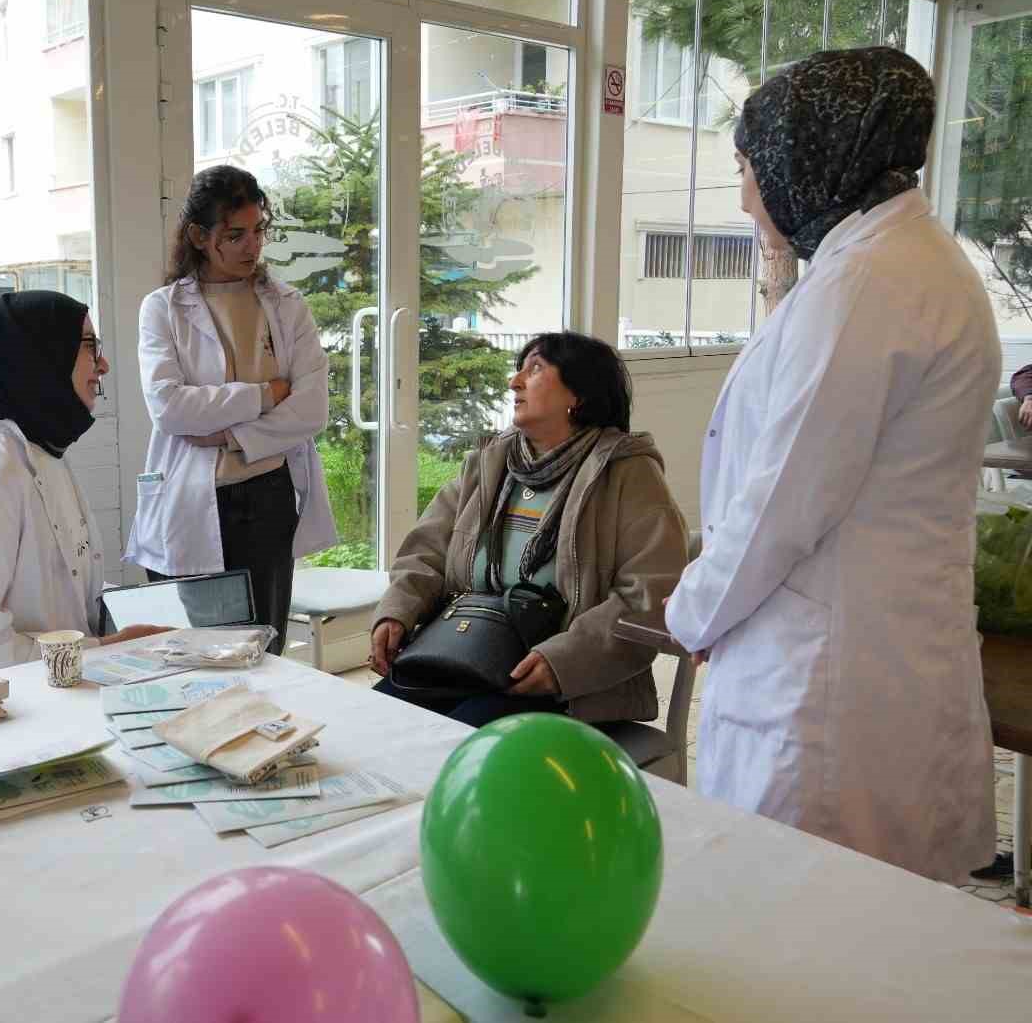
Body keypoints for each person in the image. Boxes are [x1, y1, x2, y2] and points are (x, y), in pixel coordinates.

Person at [665, 47, 999, 883]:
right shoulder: (900, 260)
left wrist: (692, 614)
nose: (747, 195)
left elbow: (783, 501)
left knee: (810, 926)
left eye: (748, 168)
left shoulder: (869, 283)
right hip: (864, 648)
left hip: (828, 677)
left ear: (803, 155)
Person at [370, 333, 688, 727]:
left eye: (535, 369)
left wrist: (564, 663)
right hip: (464, 652)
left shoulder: (628, 474)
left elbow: (651, 597)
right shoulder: (488, 463)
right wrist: (397, 613)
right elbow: (426, 551)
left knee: (456, 747)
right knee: (373, 723)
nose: (514, 381)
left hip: (569, 686)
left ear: (579, 394)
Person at [124, 165, 337, 652]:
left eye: (258, 230)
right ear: (200, 236)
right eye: (234, 234)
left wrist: (231, 435)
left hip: (267, 495)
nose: (251, 246)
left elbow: (311, 409)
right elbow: (170, 408)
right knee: (213, 652)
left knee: (268, 649)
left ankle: (273, 731)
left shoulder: (287, 305)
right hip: (197, 499)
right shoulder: (162, 308)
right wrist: (264, 394)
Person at [0, 291, 170, 671]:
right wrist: (110, 648)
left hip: (55, 689)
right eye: (90, 348)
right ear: (43, 356)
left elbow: (68, 599)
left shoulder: (42, 450)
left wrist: (148, 615)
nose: (104, 364)